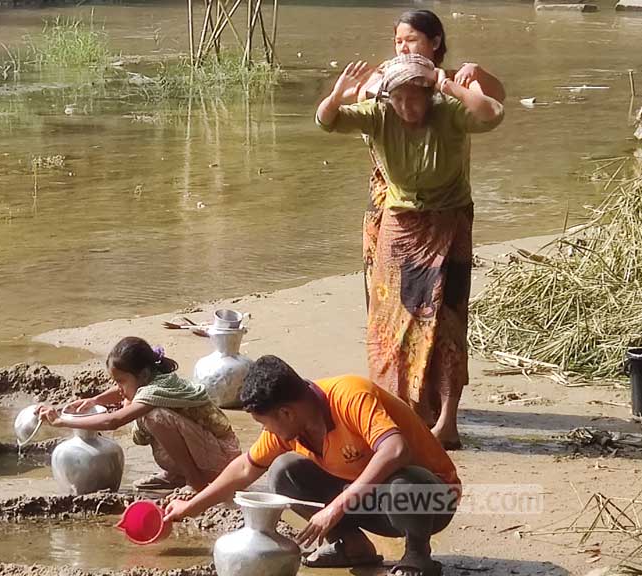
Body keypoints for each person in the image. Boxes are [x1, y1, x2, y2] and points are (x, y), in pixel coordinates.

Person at [316, 54, 504, 450]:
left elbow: (491, 114)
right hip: (399, 228)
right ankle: (399, 414)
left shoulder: (449, 110)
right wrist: (337, 95)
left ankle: (447, 422)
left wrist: (449, 84)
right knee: (390, 328)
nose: (406, 108)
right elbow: (326, 121)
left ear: (427, 93)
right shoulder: (379, 114)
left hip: (447, 226)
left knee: (447, 325)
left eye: (414, 98)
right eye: (397, 99)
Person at [164, 356, 459, 576]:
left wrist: (335, 507)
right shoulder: (291, 428)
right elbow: (244, 469)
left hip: (429, 500)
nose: (269, 431)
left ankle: (418, 554)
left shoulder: (350, 395)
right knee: (284, 472)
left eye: (266, 423)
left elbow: (396, 449)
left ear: (286, 412)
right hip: (372, 501)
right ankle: (353, 546)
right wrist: (188, 508)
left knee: (402, 482)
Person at [359, 10, 505, 310]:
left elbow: (496, 101)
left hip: (447, 198)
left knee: (443, 297)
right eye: (398, 41)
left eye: (411, 40)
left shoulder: (452, 80)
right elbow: (362, 108)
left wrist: (475, 74)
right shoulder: (386, 78)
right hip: (391, 195)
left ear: (435, 41)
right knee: (388, 288)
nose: (403, 48)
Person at [38, 336, 240, 491]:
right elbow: (123, 391)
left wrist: (62, 421)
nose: (118, 388)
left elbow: (113, 421)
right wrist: (95, 400)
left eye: (121, 381)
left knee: (156, 417)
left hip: (222, 458)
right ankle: (176, 475)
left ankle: (195, 481)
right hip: (209, 449)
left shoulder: (155, 391)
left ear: (142, 374)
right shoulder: (154, 378)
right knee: (145, 409)